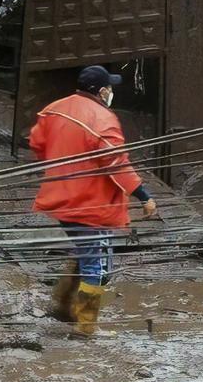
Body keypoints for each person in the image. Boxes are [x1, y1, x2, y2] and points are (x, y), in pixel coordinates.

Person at [28, 65, 156, 335]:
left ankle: (63, 304)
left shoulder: (54, 109)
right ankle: (85, 327)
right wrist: (144, 196)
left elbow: (37, 143)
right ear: (101, 91)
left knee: (87, 253)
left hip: (62, 201)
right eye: (109, 87)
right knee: (98, 267)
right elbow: (116, 163)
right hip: (89, 205)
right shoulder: (103, 119)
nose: (111, 91)